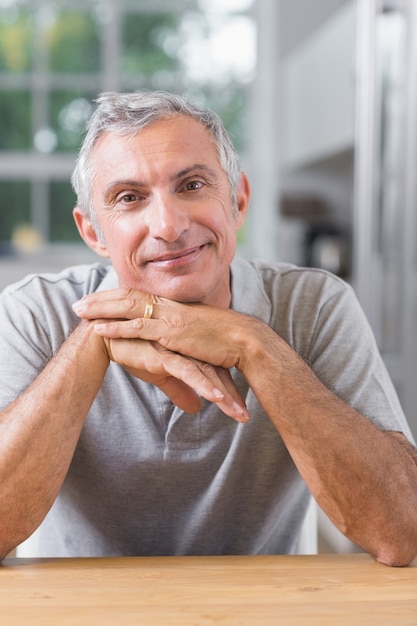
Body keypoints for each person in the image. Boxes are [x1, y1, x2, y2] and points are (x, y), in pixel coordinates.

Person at [0, 91, 416, 566]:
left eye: (192, 185)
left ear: (237, 200)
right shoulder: (36, 311)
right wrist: (96, 339)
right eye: (129, 198)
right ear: (93, 232)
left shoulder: (315, 306)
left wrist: (253, 344)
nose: (169, 226)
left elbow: (402, 530)